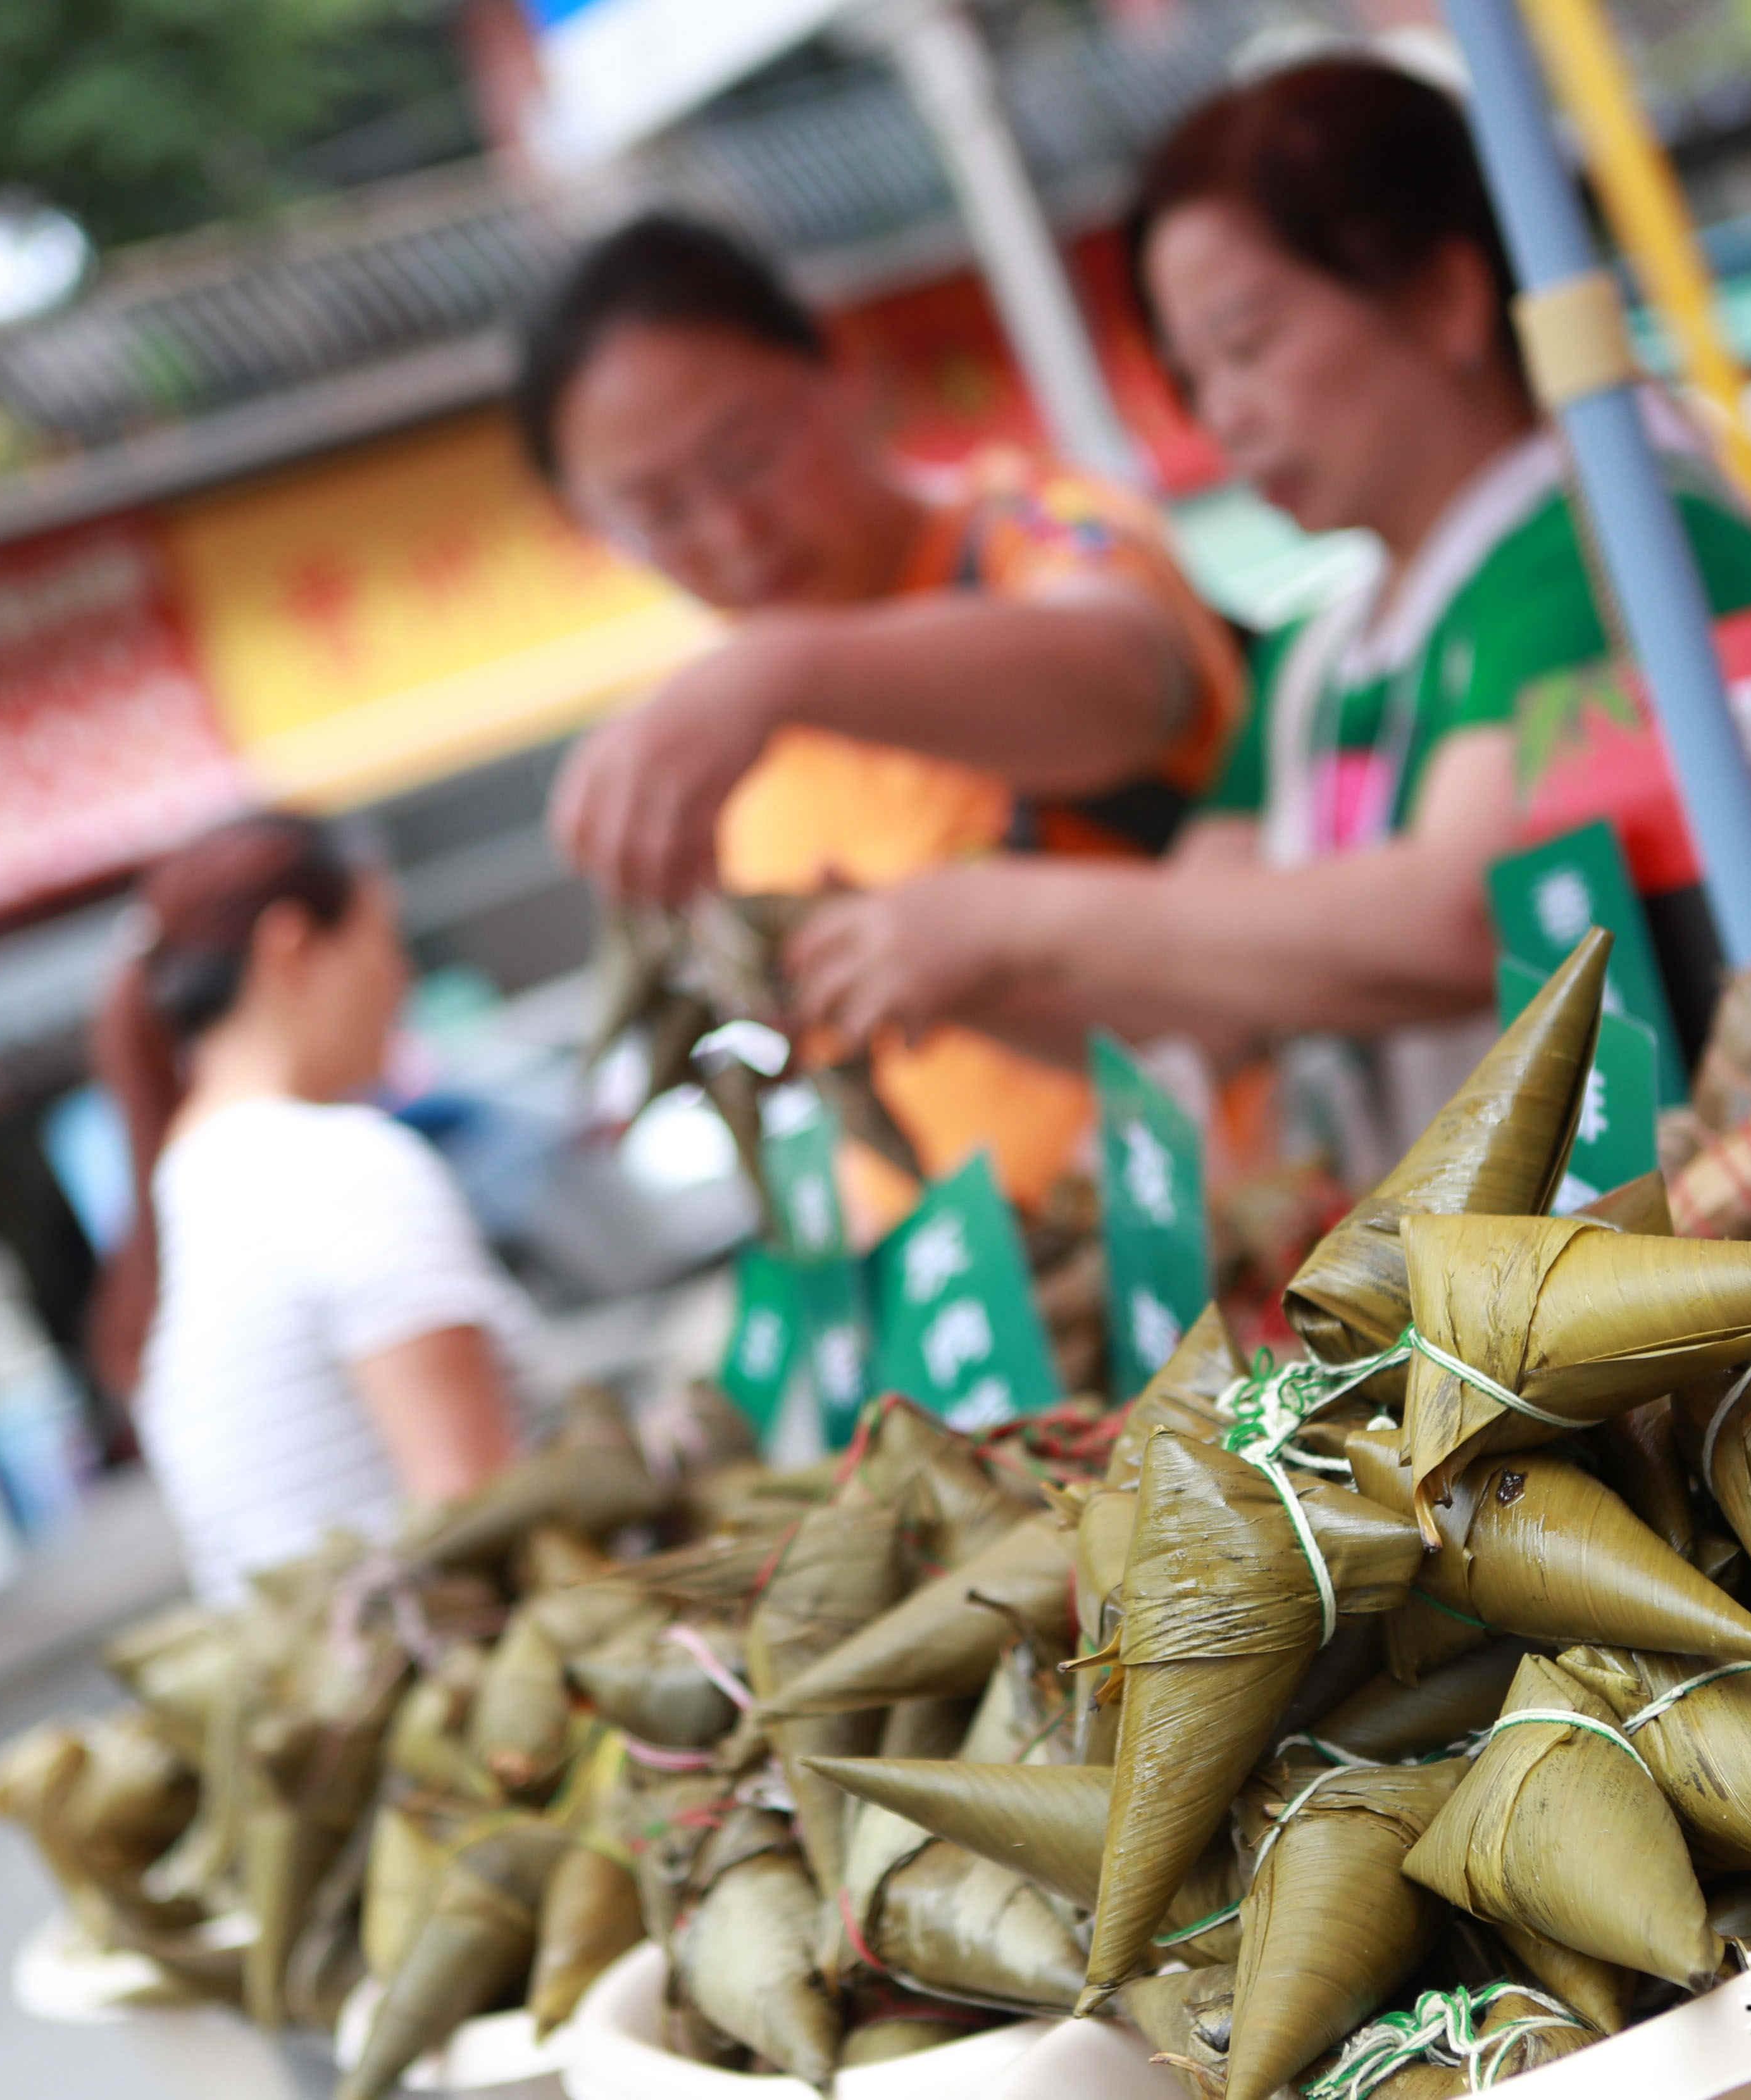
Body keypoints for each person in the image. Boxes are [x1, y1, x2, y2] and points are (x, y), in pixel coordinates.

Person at [784, 57, 1751, 1156]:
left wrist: (1011, 916)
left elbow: (1470, 916)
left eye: (1246, 345)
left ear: (1443, 297)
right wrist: (946, 967)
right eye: (1191, 376)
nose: (1223, 414)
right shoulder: (1320, 656)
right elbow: (1200, 1001)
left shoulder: (1607, 543)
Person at [516, 215, 1245, 1211]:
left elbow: (1126, 680)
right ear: (589, 526)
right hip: (1020, 1321)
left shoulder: (1029, 526)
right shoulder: (735, 762)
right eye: (659, 512)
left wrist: (779, 671)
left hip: (1243, 1234)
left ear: (838, 361)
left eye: (745, 458)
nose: (731, 532)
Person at [90, 815, 539, 1604]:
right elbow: (475, 1521)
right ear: (292, 947)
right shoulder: (342, 1169)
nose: (401, 981)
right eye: (384, 942)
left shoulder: (187, 1196)